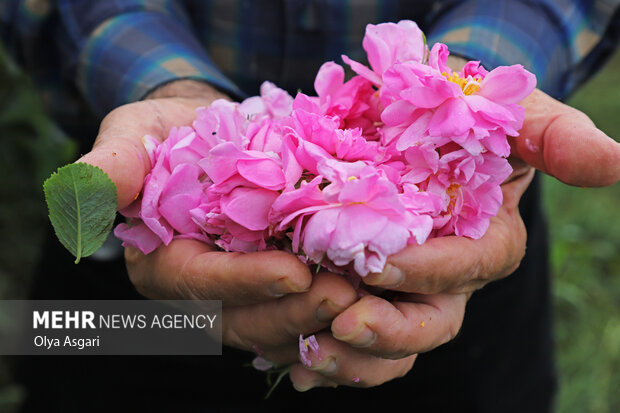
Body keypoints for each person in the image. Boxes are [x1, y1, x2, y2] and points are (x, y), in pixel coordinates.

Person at [2, 1, 619, 411]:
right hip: (148, 249)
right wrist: (163, 87)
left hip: (449, 256)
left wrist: (466, 83)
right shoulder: (170, 186)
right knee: (78, 383)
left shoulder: (459, 188)